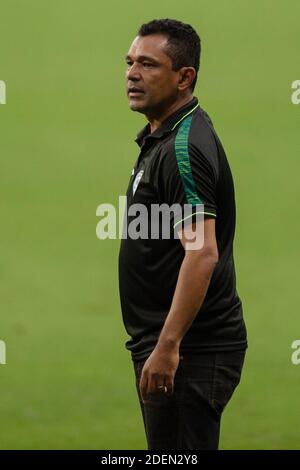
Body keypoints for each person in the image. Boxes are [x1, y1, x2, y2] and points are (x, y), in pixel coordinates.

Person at [118, 18, 247, 450]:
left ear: (184, 77)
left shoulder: (182, 149)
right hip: (173, 346)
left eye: (149, 65)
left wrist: (168, 346)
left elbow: (201, 253)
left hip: (191, 351)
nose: (133, 74)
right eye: (130, 62)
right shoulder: (164, 133)